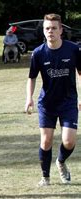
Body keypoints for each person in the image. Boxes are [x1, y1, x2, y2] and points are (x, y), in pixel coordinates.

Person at [24, 13, 81, 187]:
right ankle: (46, 177)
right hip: (47, 104)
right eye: (47, 28)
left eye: (54, 28)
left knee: (69, 141)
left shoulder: (73, 49)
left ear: (61, 30)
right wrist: (29, 98)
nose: (50, 32)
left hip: (69, 101)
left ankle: (61, 161)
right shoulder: (38, 53)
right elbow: (31, 77)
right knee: (46, 140)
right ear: (43, 31)